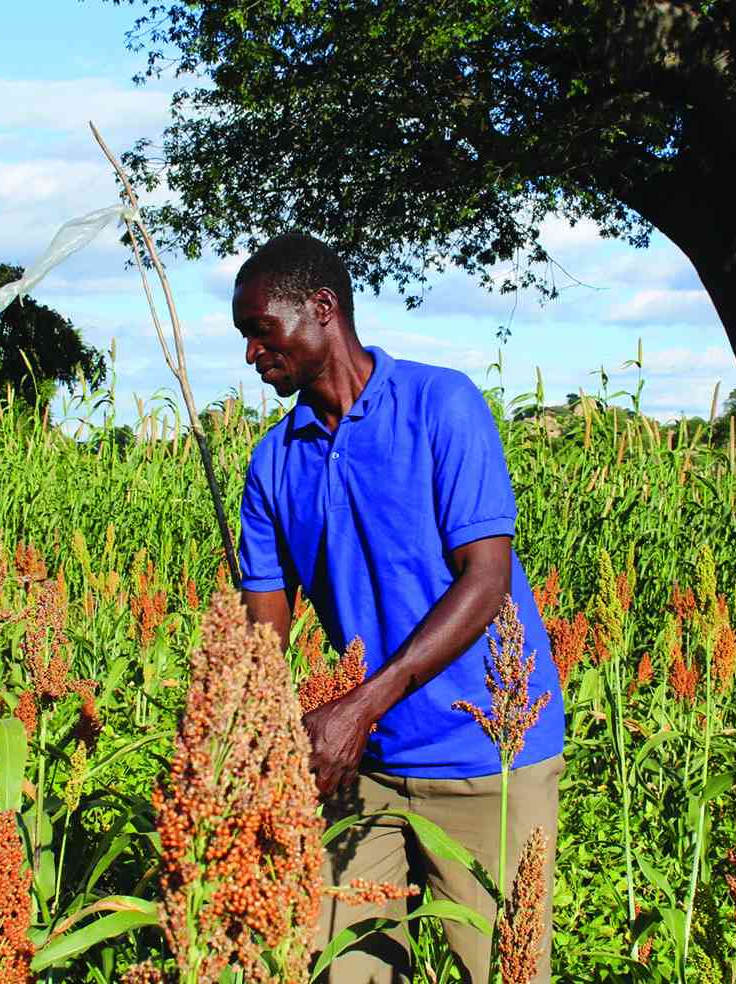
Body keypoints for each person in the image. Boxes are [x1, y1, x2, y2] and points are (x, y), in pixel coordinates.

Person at [233, 232, 565, 983]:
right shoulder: (272, 460)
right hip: (363, 771)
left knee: (500, 970)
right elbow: (263, 628)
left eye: (261, 332)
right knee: (335, 967)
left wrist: (359, 705)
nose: (253, 356)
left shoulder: (438, 404)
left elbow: (485, 582)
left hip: (488, 755)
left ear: (322, 309)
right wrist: (245, 721)